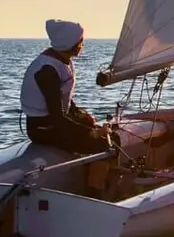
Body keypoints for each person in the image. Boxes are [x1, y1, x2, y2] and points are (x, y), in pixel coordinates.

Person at [20, 19, 112, 154]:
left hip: (54, 123)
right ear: (72, 45)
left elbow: (62, 96)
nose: (83, 44)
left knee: (108, 135)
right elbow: (56, 116)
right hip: (43, 128)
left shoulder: (61, 60)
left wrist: (78, 113)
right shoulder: (48, 71)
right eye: (81, 41)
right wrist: (90, 132)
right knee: (104, 145)